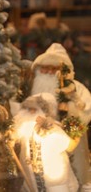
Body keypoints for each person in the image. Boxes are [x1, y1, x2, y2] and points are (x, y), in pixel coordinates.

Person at [28, 43, 91, 189]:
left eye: (54, 68)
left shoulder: (75, 87)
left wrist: (69, 108)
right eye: (46, 68)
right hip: (42, 145)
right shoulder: (34, 88)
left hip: (72, 142)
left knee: (75, 178)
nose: (50, 72)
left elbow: (87, 109)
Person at [12, 93, 79, 192]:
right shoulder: (33, 128)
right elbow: (70, 146)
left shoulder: (44, 127)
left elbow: (65, 144)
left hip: (43, 181)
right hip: (43, 182)